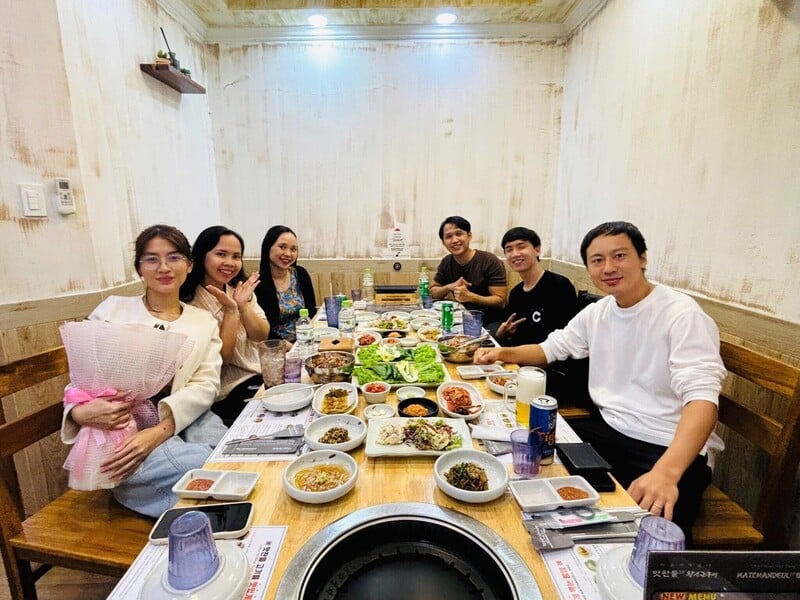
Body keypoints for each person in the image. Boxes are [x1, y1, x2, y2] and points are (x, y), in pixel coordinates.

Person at [475, 221, 726, 545]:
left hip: (667, 445)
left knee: (653, 544)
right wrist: (500, 353)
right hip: (609, 429)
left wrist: (666, 473)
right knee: (529, 470)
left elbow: (703, 401)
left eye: (619, 255)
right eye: (597, 260)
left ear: (643, 258)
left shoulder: (681, 314)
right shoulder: (599, 312)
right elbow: (551, 349)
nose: (608, 267)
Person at [61, 224, 228, 518]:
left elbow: (206, 384)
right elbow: (82, 377)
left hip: (183, 419)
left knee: (232, 457)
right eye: (151, 259)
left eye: (174, 257)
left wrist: (161, 431)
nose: (164, 268)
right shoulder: (112, 311)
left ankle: (193, 509)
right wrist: (79, 412)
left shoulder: (203, 321)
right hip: (123, 429)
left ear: (189, 265)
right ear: (139, 268)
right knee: (203, 467)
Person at [181, 226, 270, 424]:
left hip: (259, 374)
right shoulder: (190, 302)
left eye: (236, 256)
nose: (230, 262)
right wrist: (231, 311)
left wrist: (243, 306)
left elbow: (261, 335)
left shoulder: (239, 289)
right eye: (221, 254)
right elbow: (223, 358)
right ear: (202, 257)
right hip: (227, 390)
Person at [495, 227, 578, 346]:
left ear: (537, 250)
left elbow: (567, 337)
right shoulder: (516, 293)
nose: (515, 254)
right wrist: (501, 334)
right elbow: (510, 329)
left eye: (521, 247)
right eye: (509, 249)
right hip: (519, 354)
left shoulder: (559, 286)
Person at [429, 216, 507, 326]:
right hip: (459, 319)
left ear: (469, 236)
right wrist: (450, 287)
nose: (455, 240)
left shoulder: (489, 261)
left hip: (490, 322)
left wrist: (470, 297)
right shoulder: (447, 261)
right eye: (449, 236)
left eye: (459, 234)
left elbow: (500, 301)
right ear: (443, 242)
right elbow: (433, 292)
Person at [256, 225, 317, 342]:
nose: (288, 254)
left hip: (306, 339)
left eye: (293, 249)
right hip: (276, 346)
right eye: (282, 247)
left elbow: (312, 311)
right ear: (268, 247)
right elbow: (263, 330)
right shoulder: (258, 283)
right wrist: (287, 346)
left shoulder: (300, 274)